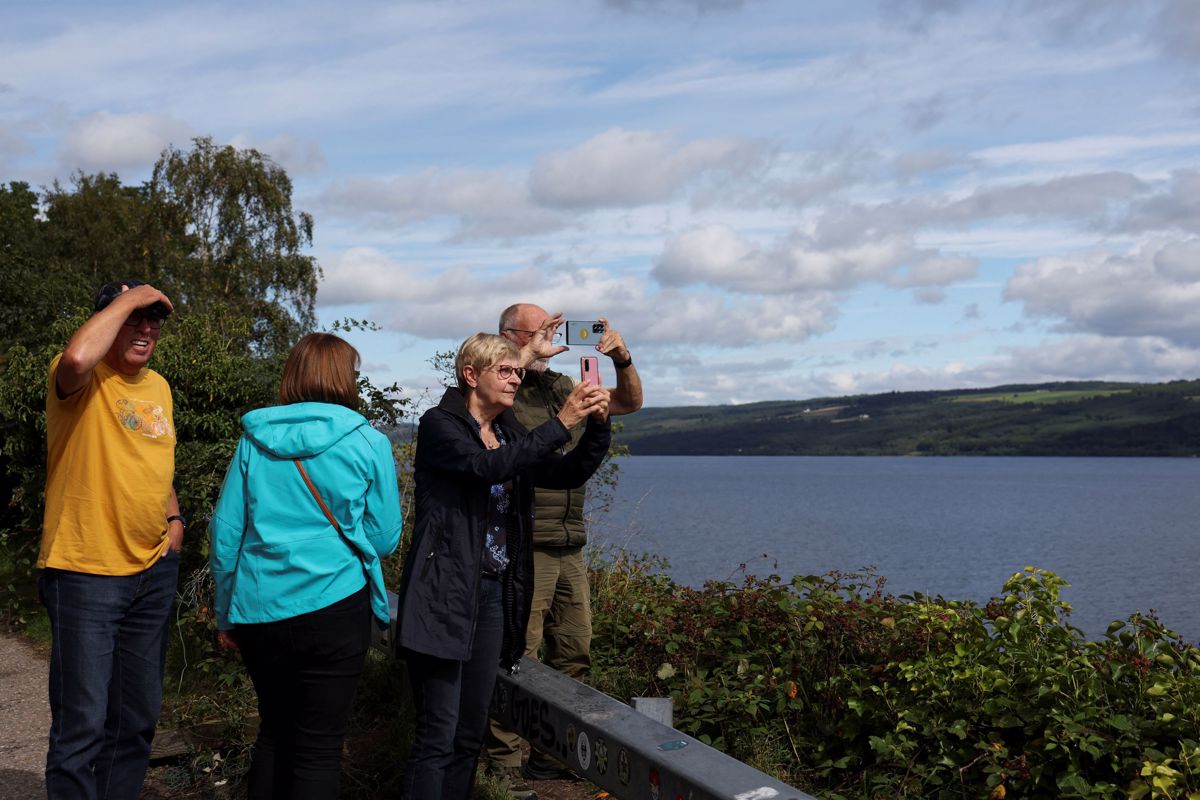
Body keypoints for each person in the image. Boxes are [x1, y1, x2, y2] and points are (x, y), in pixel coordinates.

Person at [395, 332, 611, 800]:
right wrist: (561, 420)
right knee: (438, 734)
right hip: (443, 594)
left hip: (493, 594)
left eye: (517, 371)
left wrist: (596, 426)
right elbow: (484, 468)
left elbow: (567, 472)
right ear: (472, 376)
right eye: (506, 371)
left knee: (470, 733)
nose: (516, 379)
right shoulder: (441, 425)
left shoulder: (509, 434)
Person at [209, 333, 403, 799]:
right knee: (318, 747)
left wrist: (224, 612)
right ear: (345, 379)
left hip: (259, 606)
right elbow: (384, 539)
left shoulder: (253, 440)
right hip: (336, 606)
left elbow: (226, 535)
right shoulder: (368, 441)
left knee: (274, 731)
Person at [485, 304, 642, 790]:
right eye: (540, 333)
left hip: (569, 540)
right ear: (510, 337)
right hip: (524, 539)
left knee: (574, 651)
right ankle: (504, 763)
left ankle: (550, 754)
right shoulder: (501, 387)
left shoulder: (557, 385)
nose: (552, 340)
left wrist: (622, 358)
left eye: (556, 331)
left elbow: (629, 403)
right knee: (517, 653)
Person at [38, 278, 183, 799]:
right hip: (85, 572)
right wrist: (133, 295)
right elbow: (78, 357)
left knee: (135, 721)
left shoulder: (160, 388)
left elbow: (154, 459)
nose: (147, 328)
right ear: (109, 318)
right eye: (134, 318)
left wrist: (174, 520)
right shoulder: (76, 375)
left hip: (152, 570)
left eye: (155, 320)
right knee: (82, 727)